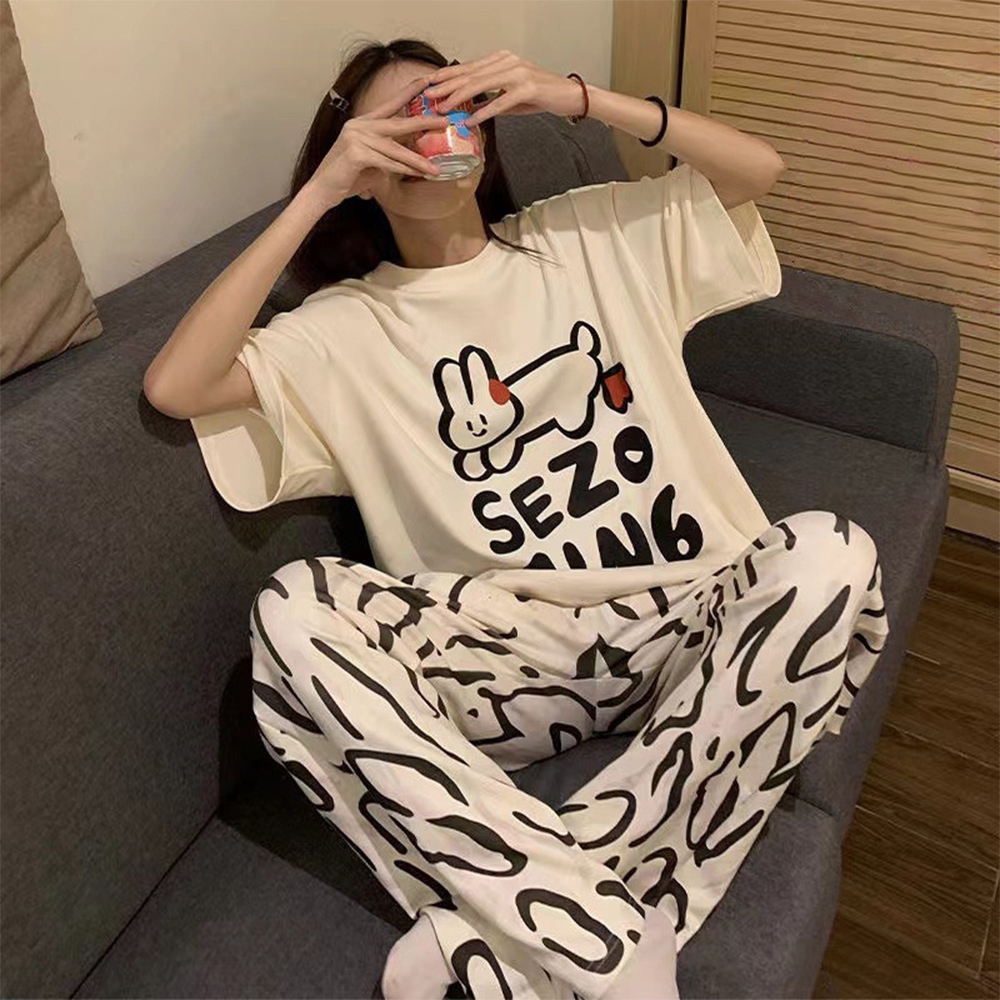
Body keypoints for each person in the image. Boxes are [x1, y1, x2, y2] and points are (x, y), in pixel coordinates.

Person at [144, 37, 890, 1000]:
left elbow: (760, 171)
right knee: (294, 609)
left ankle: (521, 925)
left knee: (832, 554)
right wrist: (321, 190)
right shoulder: (343, 329)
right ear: (361, 158)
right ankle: (621, 944)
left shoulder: (586, 237)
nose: (431, 134)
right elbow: (178, 385)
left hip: (691, 628)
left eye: (448, 105)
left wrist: (572, 96)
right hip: (509, 664)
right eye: (398, 123)